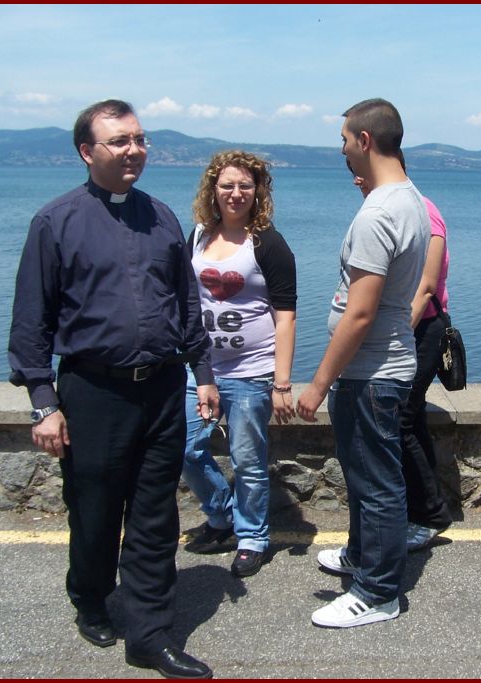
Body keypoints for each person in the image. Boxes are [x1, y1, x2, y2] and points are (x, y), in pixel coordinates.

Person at [7, 99, 218, 679]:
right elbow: (31, 323)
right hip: (92, 393)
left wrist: (203, 375)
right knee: (95, 512)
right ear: (87, 151)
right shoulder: (55, 222)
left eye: (140, 139)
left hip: (161, 389)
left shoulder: (164, 218)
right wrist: (43, 403)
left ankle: (149, 635)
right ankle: (91, 596)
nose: (134, 150)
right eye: (119, 141)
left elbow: (186, 304)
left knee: (156, 516)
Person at [296, 98, 429, 628]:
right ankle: (361, 555)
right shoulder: (409, 199)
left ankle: (377, 592)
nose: (343, 150)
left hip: (370, 373)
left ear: (365, 141)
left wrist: (318, 382)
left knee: (376, 484)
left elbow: (361, 313)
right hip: (384, 366)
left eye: (345, 140)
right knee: (366, 477)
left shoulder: (377, 213)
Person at [179, 150, 297, 578]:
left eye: (245, 185)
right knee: (185, 449)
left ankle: (252, 537)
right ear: (213, 189)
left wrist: (281, 383)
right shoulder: (197, 236)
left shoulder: (267, 243)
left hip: (252, 371)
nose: (236, 193)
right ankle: (221, 515)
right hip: (203, 371)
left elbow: (285, 315)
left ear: (258, 192)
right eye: (227, 185)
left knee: (247, 460)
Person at [346, 158, 454, 552]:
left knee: (402, 419)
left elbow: (426, 286)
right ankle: (419, 509)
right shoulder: (383, 210)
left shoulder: (426, 212)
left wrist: (396, 337)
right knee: (411, 418)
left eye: (362, 175)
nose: (359, 181)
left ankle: (429, 516)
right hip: (405, 328)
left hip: (420, 328)